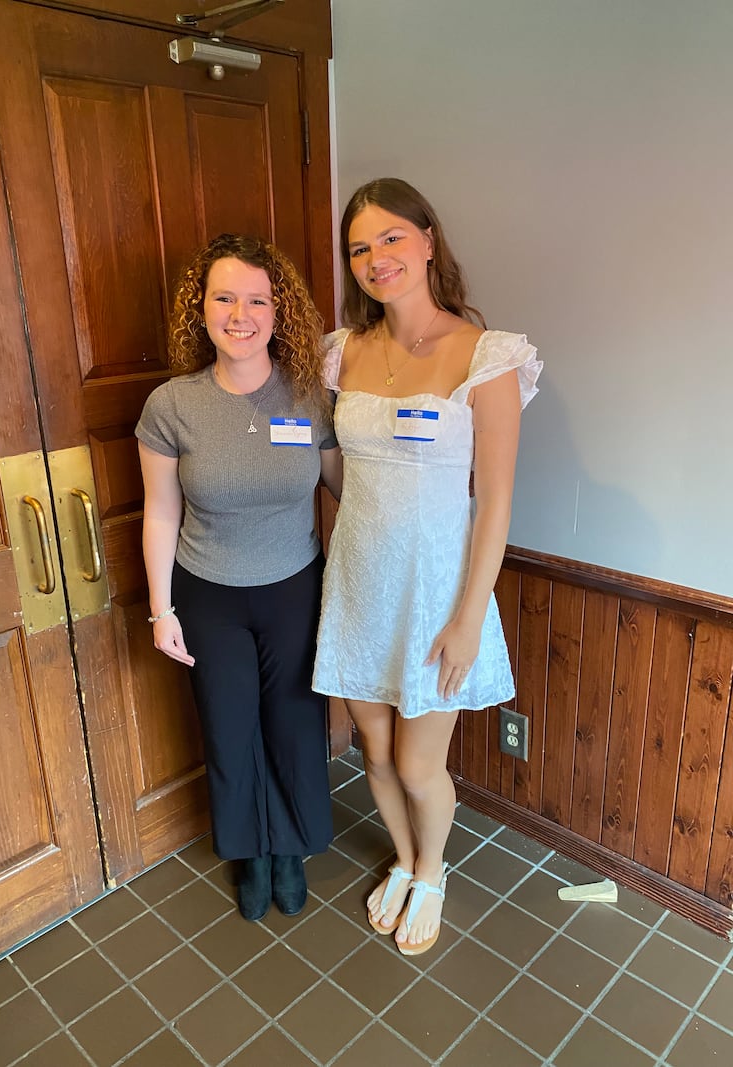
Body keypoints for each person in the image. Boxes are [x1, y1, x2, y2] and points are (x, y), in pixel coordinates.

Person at [313, 178, 542, 955]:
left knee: (417, 762)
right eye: (360, 248)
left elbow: (498, 499)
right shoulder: (342, 352)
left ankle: (435, 870)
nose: (377, 259)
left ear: (427, 240)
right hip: (359, 579)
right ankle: (406, 862)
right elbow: (338, 467)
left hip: (439, 588)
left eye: (390, 239)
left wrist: (468, 618)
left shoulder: (488, 355)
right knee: (374, 751)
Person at [136, 233, 342, 923]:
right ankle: (249, 853)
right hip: (207, 590)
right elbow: (161, 512)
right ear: (201, 309)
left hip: (294, 586)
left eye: (257, 299)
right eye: (224, 297)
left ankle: (289, 849)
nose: (241, 313)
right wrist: (161, 611)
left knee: (292, 722)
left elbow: (348, 487)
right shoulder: (172, 405)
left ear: (278, 312)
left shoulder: (310, 397)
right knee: (229, 728)